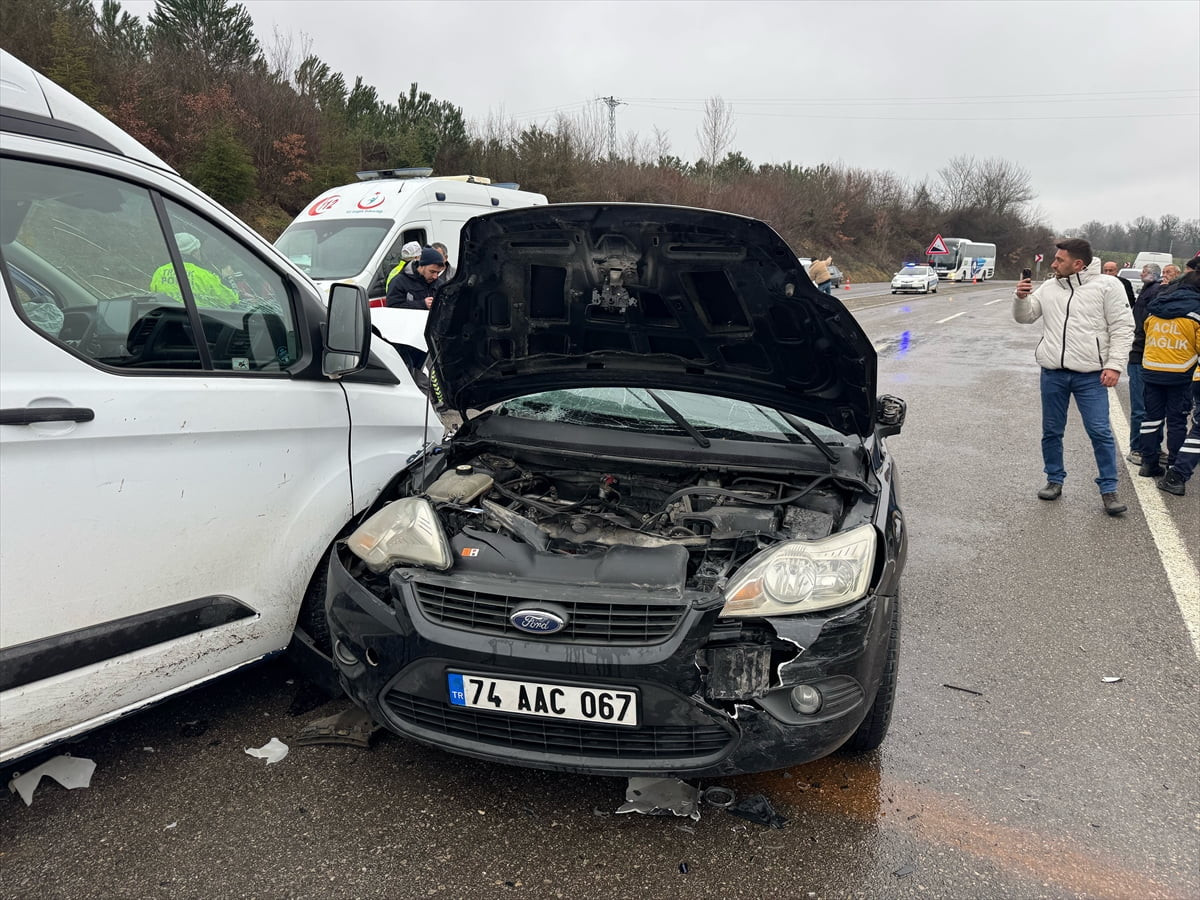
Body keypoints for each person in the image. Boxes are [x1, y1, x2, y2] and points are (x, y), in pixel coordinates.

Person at [1013, 238, 1134, 515]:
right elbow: (1026, 317)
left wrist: (1114, 365)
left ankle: (1109, 489)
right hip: (1053, 373)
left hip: (1091, 376)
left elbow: (1123, 327)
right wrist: (1020, 298)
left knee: (1100, 432)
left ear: (1078, 264)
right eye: (1054, 259)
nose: (1053, 264)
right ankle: (1054, 480)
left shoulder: (1108, 287)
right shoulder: (1051, 287)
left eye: (1059, 260)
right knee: (1051, 431)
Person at [1137, 260, 1200, 496]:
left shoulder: (1158, 304)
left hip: (1151, 369)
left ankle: (1148, 463)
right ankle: (1174, 464)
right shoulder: (1195, 311)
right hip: (1180, 374)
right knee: (1176, 421)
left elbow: (1145, 329)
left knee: (1151, 418)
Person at [1124, 263, 1164, 465]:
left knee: (1148, 407)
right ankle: (1139, 448)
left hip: (1145, 354)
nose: (1142, 274)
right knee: (1145, 407)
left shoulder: (1153, 292)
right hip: (1141, 354)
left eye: (1146, 272)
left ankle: (1149, 448)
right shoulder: (1150, 292)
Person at [150, 232, 239, 308]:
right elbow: (232, 302)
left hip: (171, 321)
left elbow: (154, 296)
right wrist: (229, 279)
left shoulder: (159, 272)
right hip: (201, 323)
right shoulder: (204, 276)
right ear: (195, 252)